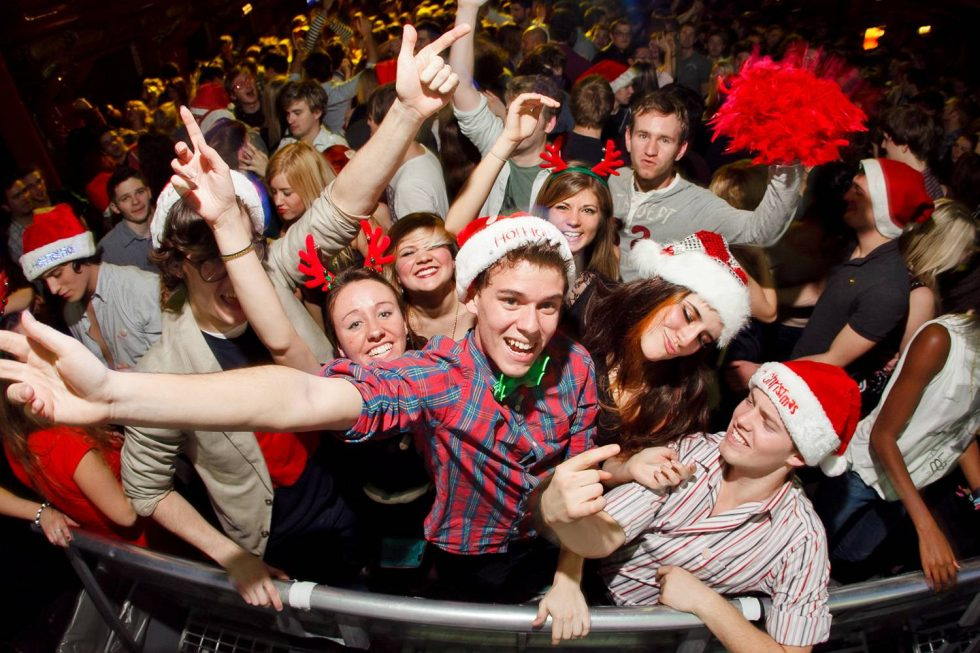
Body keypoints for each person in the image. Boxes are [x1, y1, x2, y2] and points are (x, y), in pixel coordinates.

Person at [5, 23, 473, 612]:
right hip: (285, 528)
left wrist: (405, 114)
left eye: (236, 257)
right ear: (178, 268)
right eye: (209, 266)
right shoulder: (165, 367)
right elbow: (145, 491)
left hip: (353, 481)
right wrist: (230, 554)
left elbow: (341, 203)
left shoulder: (269, 271)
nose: (230, 278)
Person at [539, 360, 861, 650]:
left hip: (663, 641)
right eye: (750, 400)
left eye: (768, 424)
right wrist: (561, 518)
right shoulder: (692, 454)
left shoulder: (801, 539)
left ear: (799, 456)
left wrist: (708, 604)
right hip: (593, 603)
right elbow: (603, 537)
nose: (743, 420)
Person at [813, 312, 980, 590]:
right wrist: (927, 529)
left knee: (849, 560)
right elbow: (883, 435)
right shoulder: (941, 339)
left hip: (908, 492)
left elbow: (959, 433)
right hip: (864, 473)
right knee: (811, 546)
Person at [445, 92, 619, 337]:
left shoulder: (606, 294)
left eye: (588, 210)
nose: (574, 220)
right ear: (544, 210)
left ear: (602, 221)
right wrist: (508, 139)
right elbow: (453, 227)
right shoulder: (515, 252)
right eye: (562, 207)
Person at [612, 90, 803, 281]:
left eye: (664, 140)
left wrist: (786, 164)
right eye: (643, 136)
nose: (650, 150)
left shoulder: (697, 205)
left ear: (680, 150)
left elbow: (760, 231)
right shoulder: (614, 180)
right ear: (629, 139)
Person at [792, 158, 934, 413]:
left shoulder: (887, 286)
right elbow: (820, 295)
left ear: (882, 208)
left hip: (809, 401)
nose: (846, 195)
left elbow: (832, 361)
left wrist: (767, 373)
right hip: (795, 375)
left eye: (857, 192)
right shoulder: (851, 249)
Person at [451, 0, 563, 216]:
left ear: (550, 123)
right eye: (513, 111)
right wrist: (467, 9)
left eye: (529, 112)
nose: (517, 120)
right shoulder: (495, 140)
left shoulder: (561, 179)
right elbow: (461, 85)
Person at [1, 385, 148, 546]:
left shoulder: (17, 443)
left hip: (107, 546)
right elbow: (126, 515)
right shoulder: (66, 441)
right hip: (150, 542)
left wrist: (100, 444)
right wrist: (137, 451)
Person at [20, 204, 161, 370]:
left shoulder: (143, 288)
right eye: (45, 281)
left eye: (57, 274)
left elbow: (178, 359)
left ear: (79, 257)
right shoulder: (70, 312)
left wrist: (134, 378)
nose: (53, 289)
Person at [385, 213, 475, 341]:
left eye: (434, 246)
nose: (424, 258)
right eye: (408, 253)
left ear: (453, 258)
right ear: (396, 274)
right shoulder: (392, 326)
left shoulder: (481, 308)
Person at [366, 84, 449, 221]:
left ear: (388, 122)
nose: (368, 123)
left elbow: (419, 241)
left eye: (371, 117)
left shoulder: (410, 187)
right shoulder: (420, 151)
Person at [99, 167, 157, 272]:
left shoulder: (173, 224)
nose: (135, 201)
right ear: (115, 207)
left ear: (149, 192)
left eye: (140, 192)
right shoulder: (108, 251)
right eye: (126, 198)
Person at [276, 80, 348, 152]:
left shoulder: (335, 147)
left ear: (317, 113)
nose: (289, 120)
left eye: (297, 113)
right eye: (287, 114)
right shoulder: (286, 144)